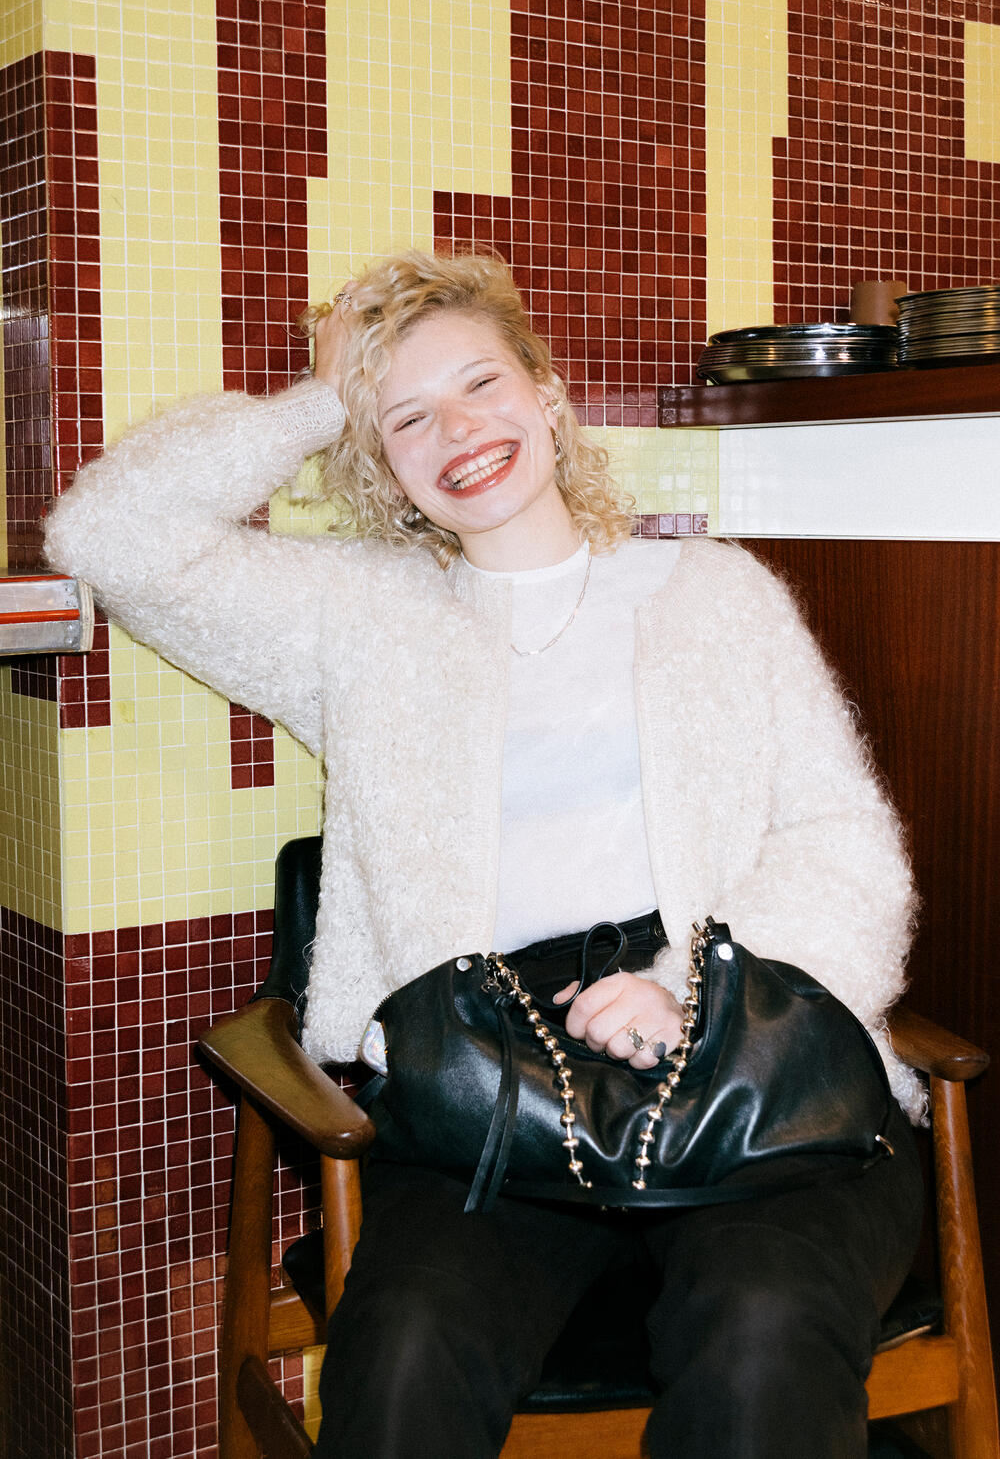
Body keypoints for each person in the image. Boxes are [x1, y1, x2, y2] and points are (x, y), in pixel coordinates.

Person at [45, 249, 925, 1458]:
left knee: (764, 1329)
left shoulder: (715, 593)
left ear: (547, 394)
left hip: (740, 1051)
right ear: (379, 461)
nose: (458, 429)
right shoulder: (360, 618)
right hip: (485, 1083)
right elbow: (107, 533)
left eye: (481, 384)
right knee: (403, 1354)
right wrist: (321, 394)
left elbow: (842, 837)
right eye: (405, 415)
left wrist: (690, 984)